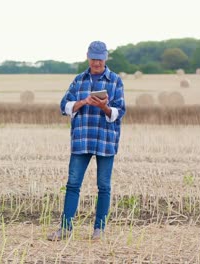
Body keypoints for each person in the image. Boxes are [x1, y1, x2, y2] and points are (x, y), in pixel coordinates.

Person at [47, 41, 126, 241]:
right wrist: (83, 102)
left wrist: (104, 107)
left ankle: (99, 229)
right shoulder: (79, 80)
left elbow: (120, 111)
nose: (97, 62)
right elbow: (64, 106)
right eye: (93, 58)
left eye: (100, 58)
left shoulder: (115, 81)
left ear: (106, 57)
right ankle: (65, 228)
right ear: (88, 57)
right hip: (82, 139)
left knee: (104, 186)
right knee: (73, 184)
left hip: (105, 140)